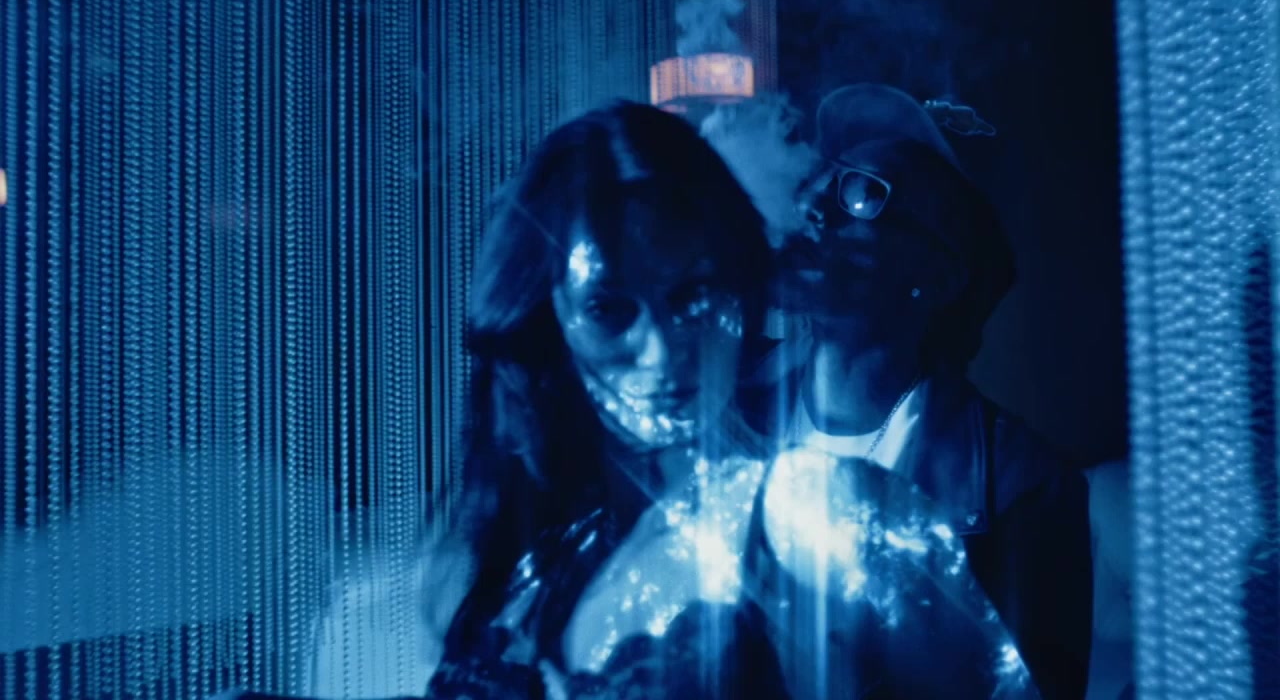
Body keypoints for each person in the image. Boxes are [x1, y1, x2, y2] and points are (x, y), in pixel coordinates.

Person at [422, 100, 1037, 700]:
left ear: (738, 283)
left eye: (693, 295)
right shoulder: (525, 558)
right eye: (608, 308)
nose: (662, 351)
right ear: (549, 316)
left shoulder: (816, 508)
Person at [745, 83, 1094, 699]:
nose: (817, 203)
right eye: (826, 178)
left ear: (937, 279)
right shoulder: (719, 400)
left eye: (862, 192)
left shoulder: (1026, 488)